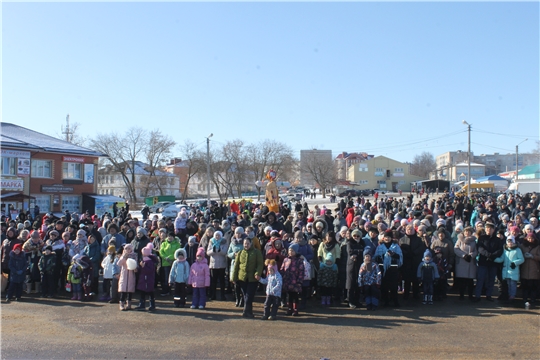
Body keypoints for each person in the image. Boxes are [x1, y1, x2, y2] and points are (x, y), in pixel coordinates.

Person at [231, 238, 263, 318]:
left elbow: (260, 264)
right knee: (245, 296)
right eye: (245, 243)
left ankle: (245, 312)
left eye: (248, 243)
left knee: (249, 296)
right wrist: (234, 278)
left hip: (252, 278)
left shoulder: (257, 252)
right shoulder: (240, 253)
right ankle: (249, 312)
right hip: (242, 278)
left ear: (251, 243)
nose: (246, 245)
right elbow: (236, 266)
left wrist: (257, 273)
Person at [474, 222, 503, 302]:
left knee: (491, 279)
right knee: (480, 279)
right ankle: (477, 295)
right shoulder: (482, 238)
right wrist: (488, 255)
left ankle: (489, 295)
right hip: (483, 261)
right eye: (487, 228)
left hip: (493, 262)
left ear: (493, 230)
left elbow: (500, 250)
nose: (488, 230)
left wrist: (492, 256)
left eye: (490, 228)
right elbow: (480, 248)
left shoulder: (497, 240)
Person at [374, 230, 403, 308]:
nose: (387, 238)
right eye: (386, 237)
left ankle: (395, 302)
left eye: (389, 237)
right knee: (384, 286)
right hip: (382, 269)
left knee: (393, 286)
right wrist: (382, 256)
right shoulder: (380, 247)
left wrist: (393, 254)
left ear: (391, 238)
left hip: (393, 268)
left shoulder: (396, 246)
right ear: (383, 238)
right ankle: (385, 301)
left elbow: (400, 257)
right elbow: (376, 257)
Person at [494, 237, 525, 302]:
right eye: (508, 242)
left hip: (513, 270)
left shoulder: (517, 250)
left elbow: (521, 259)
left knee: (513, 284)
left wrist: (515, 263)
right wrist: (494, 259)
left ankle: (512, 295)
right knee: (507, 284)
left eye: (511, 242)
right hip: (506, 270)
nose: (510, 243)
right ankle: (508, 295)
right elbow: (502, 259)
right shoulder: (505, 250)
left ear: (513, 242)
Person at [281, 243, 305, 316]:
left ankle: (295, 309)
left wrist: (299, 281)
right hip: (287, 281)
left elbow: (301, 272)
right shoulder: (286, 260)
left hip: (295, 282)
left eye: (292, 251)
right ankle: (289, 308)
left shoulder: (299, 261)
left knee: (295, 296)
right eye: (289, 250)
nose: (290, 252)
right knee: (289, 296)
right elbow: (282, 269)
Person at [454, 228, 478, 301]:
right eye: (466, 232)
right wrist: (463, 255)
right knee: (462, 280)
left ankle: (470, 295)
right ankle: (461, 295)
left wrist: (471, 255)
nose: (467, 233)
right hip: (461, 262)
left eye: (469, 232)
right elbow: (456, 249)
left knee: (470, 281)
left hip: (470, 262)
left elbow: (476, 251)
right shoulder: (459, 240)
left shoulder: (474, 241)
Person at [135, 243, 158, 311]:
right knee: (142, 292)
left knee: (150, 292)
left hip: (148, 279)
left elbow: (149, 270)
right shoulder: (144, 260)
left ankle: (152, 305)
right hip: (143, 279)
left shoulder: (149, 261)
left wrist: (143, 266)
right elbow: (142, 270)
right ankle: (142, 304)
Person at [207, 230, 228, 301]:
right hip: (213, 264)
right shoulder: (211, 241)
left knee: (222, 281)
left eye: (218, 235)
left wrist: (220, 251)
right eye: (216, 235)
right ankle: (213, 295)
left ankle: (222, 295)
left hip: (222, 264)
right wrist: (213, 251)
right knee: (213, 281)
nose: (217, 237)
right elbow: (208, 252)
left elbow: (225, 252)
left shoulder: (224, 242)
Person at [159, 231, 181, 297]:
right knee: (166, 277)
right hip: (165, 263)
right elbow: (161, 251)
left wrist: (170, 258)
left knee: (174, 276)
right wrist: (166, 258)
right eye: (169, 236)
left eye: (171, 236)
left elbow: (177, 252)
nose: (170, 237)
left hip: (174, 262)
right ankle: (166, 290)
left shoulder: (177, 244)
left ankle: (175, 290)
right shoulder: (164, 243)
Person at [346, 229, 364, 309]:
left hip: (360, 265)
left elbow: (365, 252)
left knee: (358, 283)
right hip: (351, 265)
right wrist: (358, 252)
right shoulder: (349, 242)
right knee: (351, 283)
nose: (356, 237)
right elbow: (350, 252)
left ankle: (357, 301)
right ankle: (350, 301)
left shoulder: (362, 243)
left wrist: (357, 252)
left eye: (357, 236)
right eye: (354, 236)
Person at [117, 244, 137, 311]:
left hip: (131, 275)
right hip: (124, 275)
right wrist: (123, 257)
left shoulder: (134, 255)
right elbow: (119, 264)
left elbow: (135, 265)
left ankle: (129, 304)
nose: (128, 250)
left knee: (130, 291)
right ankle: (121, 304)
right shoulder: (123, 256)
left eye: (129, 248)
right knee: (123, 291)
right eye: (126, 248)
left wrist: (135, 268)